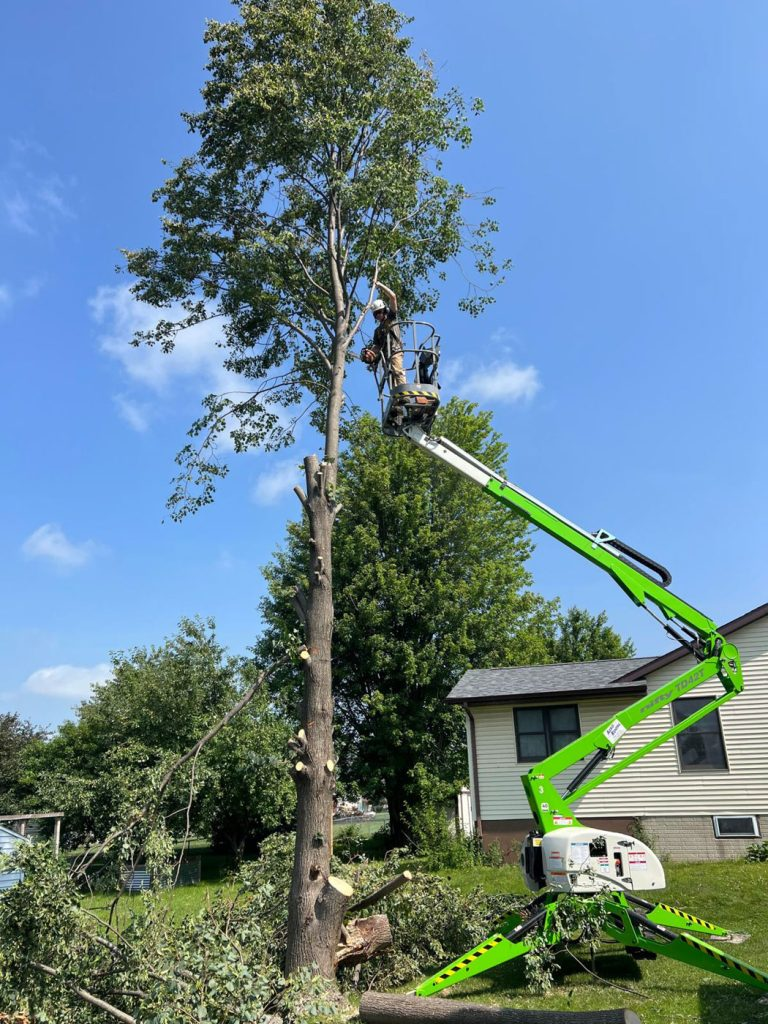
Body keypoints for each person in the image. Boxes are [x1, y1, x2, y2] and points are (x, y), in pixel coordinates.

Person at [362, 282, 406, 388]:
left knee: (397, 371)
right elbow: (376, 346)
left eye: (379, 312)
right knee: (390, 380)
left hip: (395, 351)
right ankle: (396, 402)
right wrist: (370, 354)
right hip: (386, 357)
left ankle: (404, 394)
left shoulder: (392, 318)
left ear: (384, 310)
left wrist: (379, 285)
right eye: (375, 314)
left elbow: (393, 297)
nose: (378, 315)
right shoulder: (377, 331)